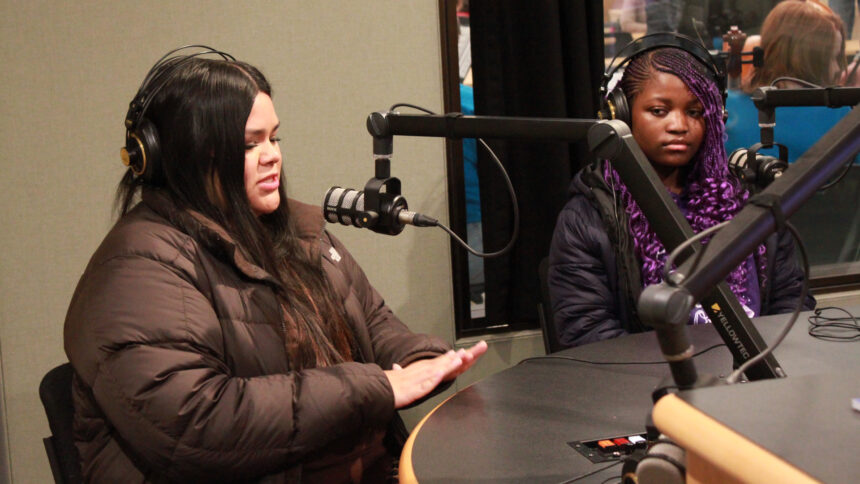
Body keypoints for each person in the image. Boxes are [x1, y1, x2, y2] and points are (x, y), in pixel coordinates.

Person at [63, 48, 487, 483]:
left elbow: (372, 322)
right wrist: (375, 387)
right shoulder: (138, 269)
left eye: (274, 138)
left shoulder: (299, 231)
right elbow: (198, 425)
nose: (272, 156)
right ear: (188, 155)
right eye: (249, 144)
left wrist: (422, 361)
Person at [548, 45, 814, 348]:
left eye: (695, 112)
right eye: (659, 111)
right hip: (653, 387)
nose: (679, 126)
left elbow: (792, 299)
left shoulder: (749, 202)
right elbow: (586, 333)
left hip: (755, 381)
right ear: (621, 113)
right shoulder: (587, 217)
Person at [724, 0, 860, 265]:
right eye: (834, 58)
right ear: (817, 60)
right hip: (836, 274)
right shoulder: (850, 124)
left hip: (749, 271)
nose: (838, 69)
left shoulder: (725, 116)